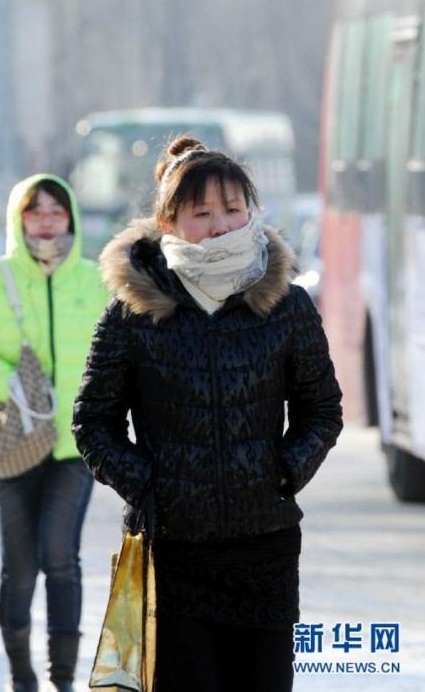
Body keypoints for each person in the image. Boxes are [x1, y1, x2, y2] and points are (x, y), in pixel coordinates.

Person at [72, 137, 343, 692]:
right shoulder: (134, 311)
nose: (221, 224)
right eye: (203, 213)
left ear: (251, 212)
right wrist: (149, 483)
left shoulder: (286, 304)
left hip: (263, 547)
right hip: (171, 551)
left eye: (233, 209)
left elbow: (322, 409)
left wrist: (284, 470)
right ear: (169, 223)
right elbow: (93, 422)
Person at [0, 174, 109, 692]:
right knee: (19, 564)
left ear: (71, 218)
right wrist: (5, 382)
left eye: (57, 211)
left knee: (60, 556)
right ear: (19, 219)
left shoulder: (94, 279)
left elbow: (128, 349)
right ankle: (21, 675)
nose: (47, 220)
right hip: (14, 440)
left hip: (74, 444)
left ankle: (62, 679)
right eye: (36, 212)